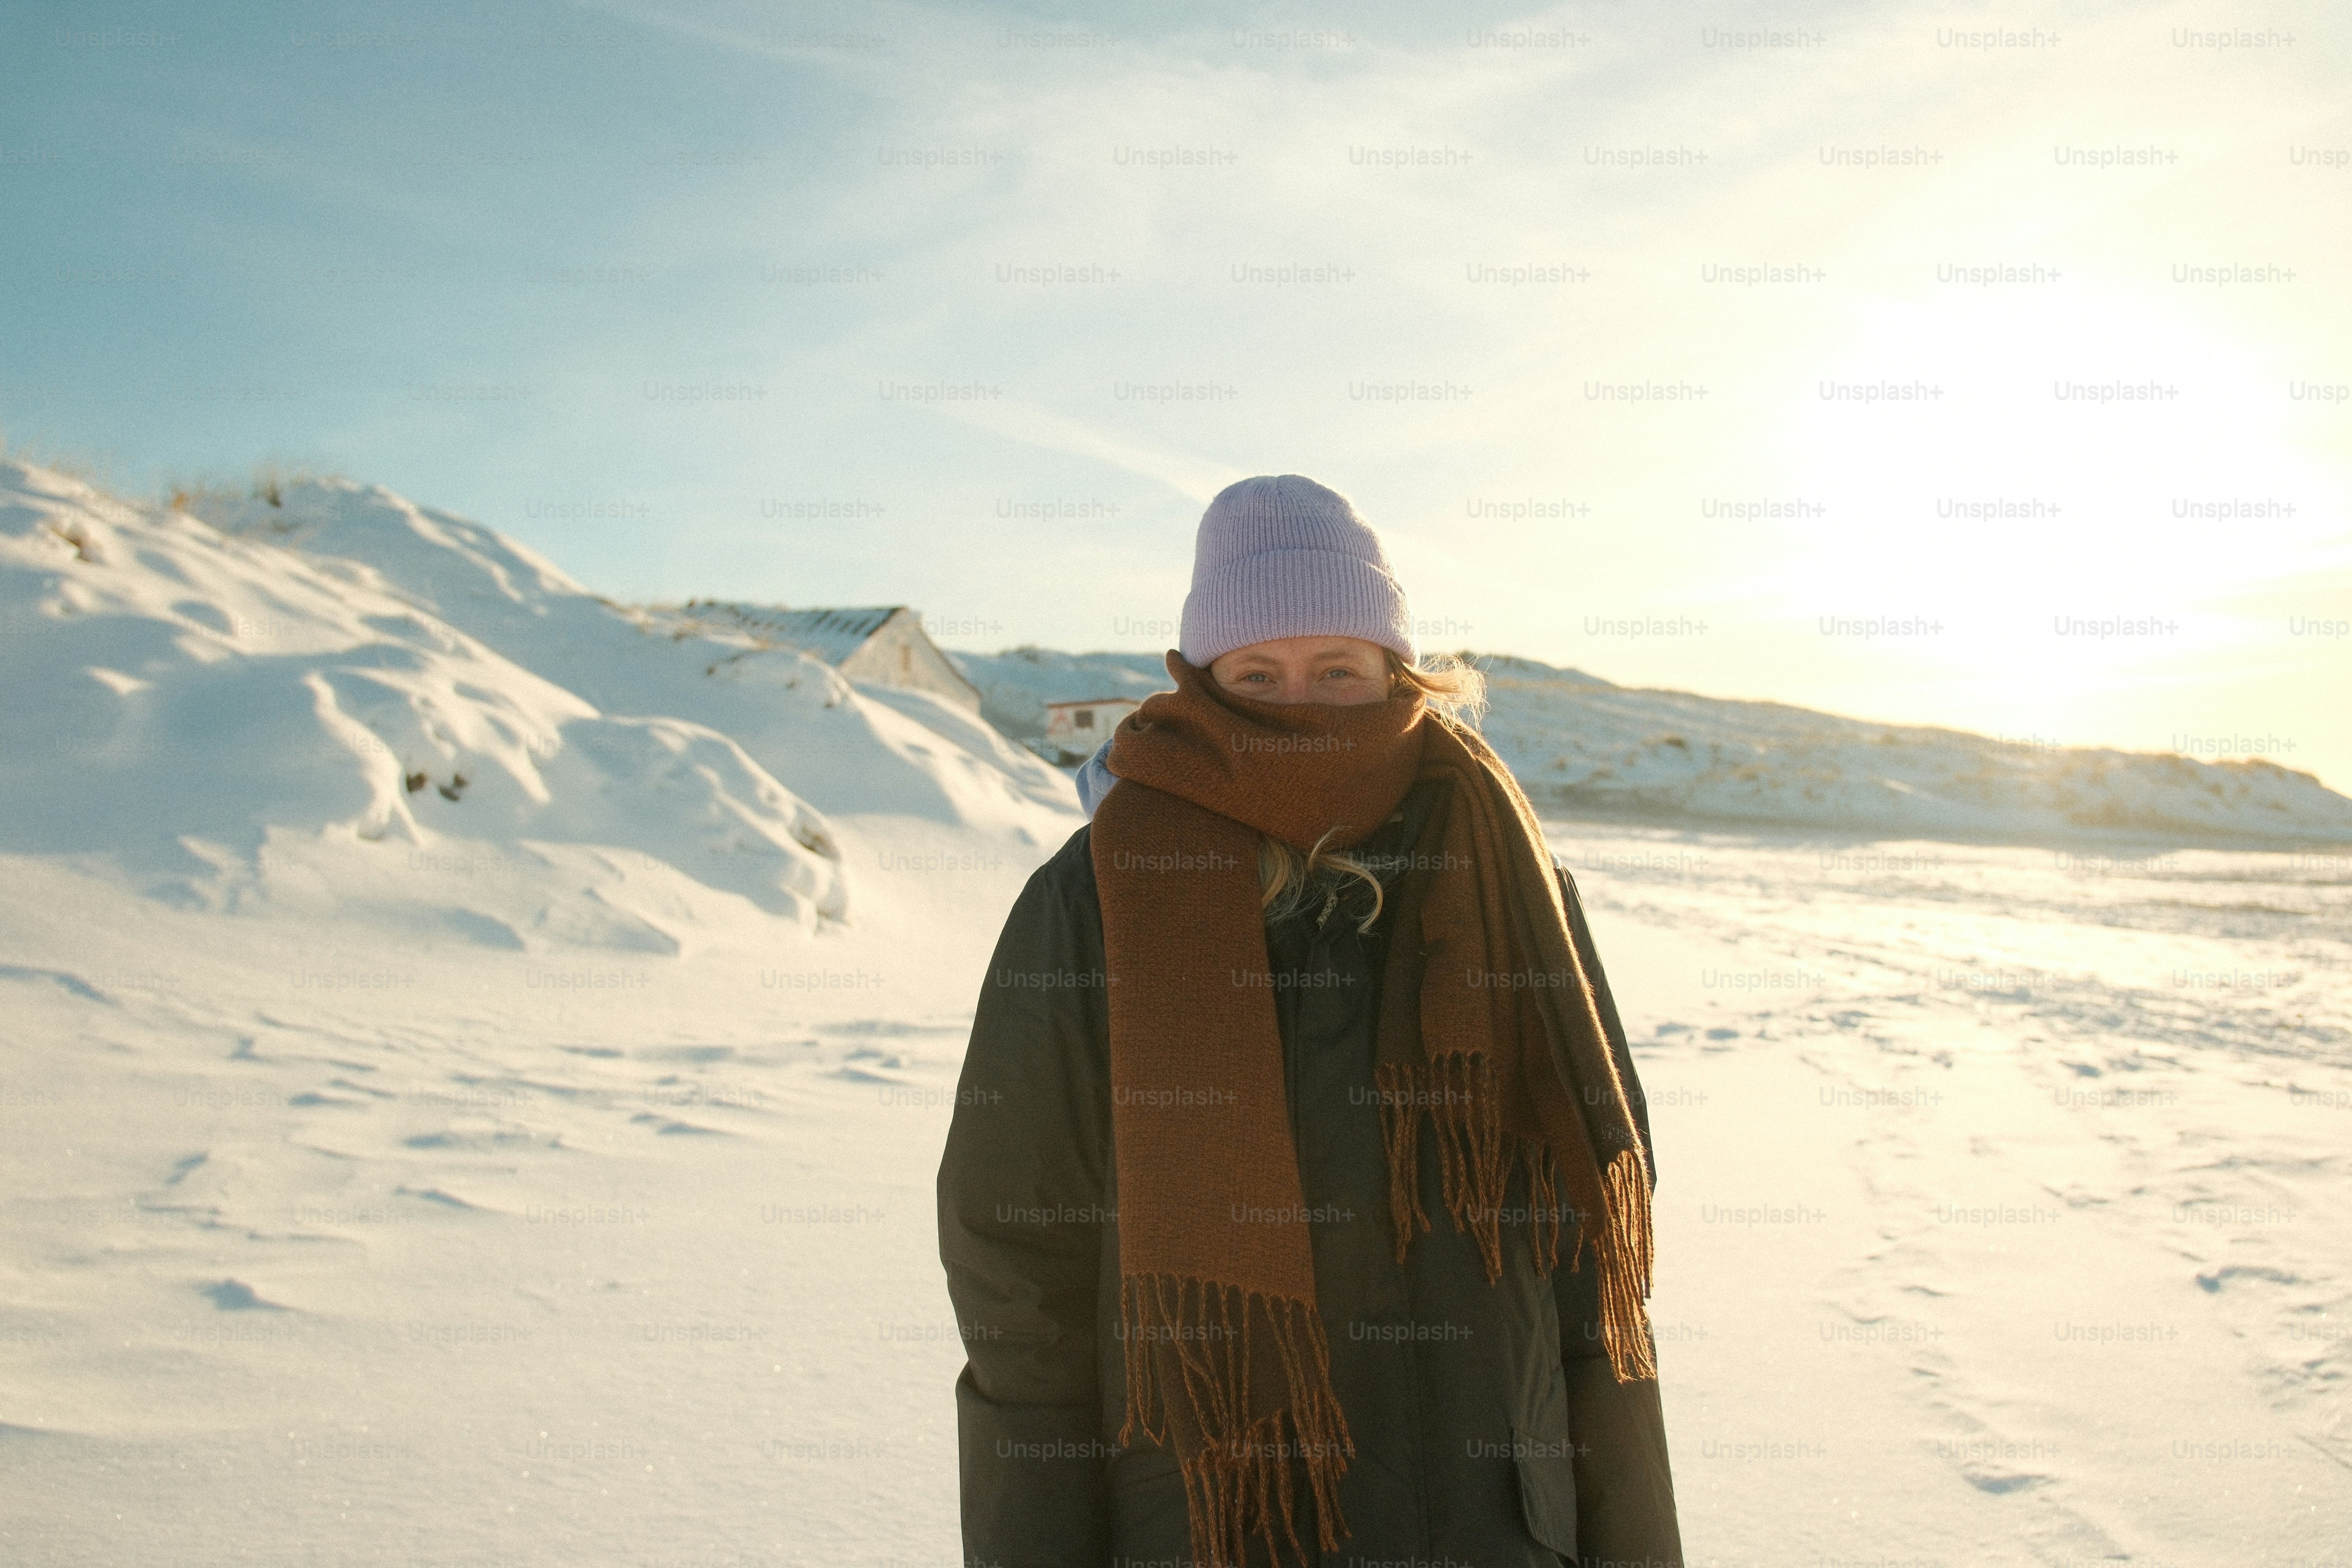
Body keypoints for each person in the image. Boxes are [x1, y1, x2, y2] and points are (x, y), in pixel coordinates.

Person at [938, 475, 1683, 1567]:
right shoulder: (1098, 895)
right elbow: (1018, 1265)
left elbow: (1597, 1272)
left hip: (1502, 1522)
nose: (1302, 703)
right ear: (1205, 681)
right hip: (1213, 1520)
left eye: (1338, 669)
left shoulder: (1508, 884)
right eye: (1259, 673)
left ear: (1396, 673)